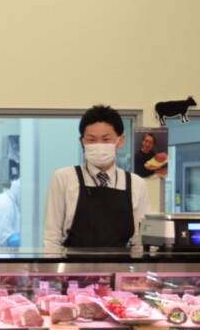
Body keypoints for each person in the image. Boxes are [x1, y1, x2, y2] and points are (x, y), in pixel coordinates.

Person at [43, 105, 149, 253]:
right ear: (82, 141)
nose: (99, 145)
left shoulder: (136, 184)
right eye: (91, 140)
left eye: (106, 139)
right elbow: (52, 236)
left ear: (120, 141)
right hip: (72, 266)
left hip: (120, 264)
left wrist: (137, 267)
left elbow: (140, 241)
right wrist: (53, 267)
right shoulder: (63, 178)